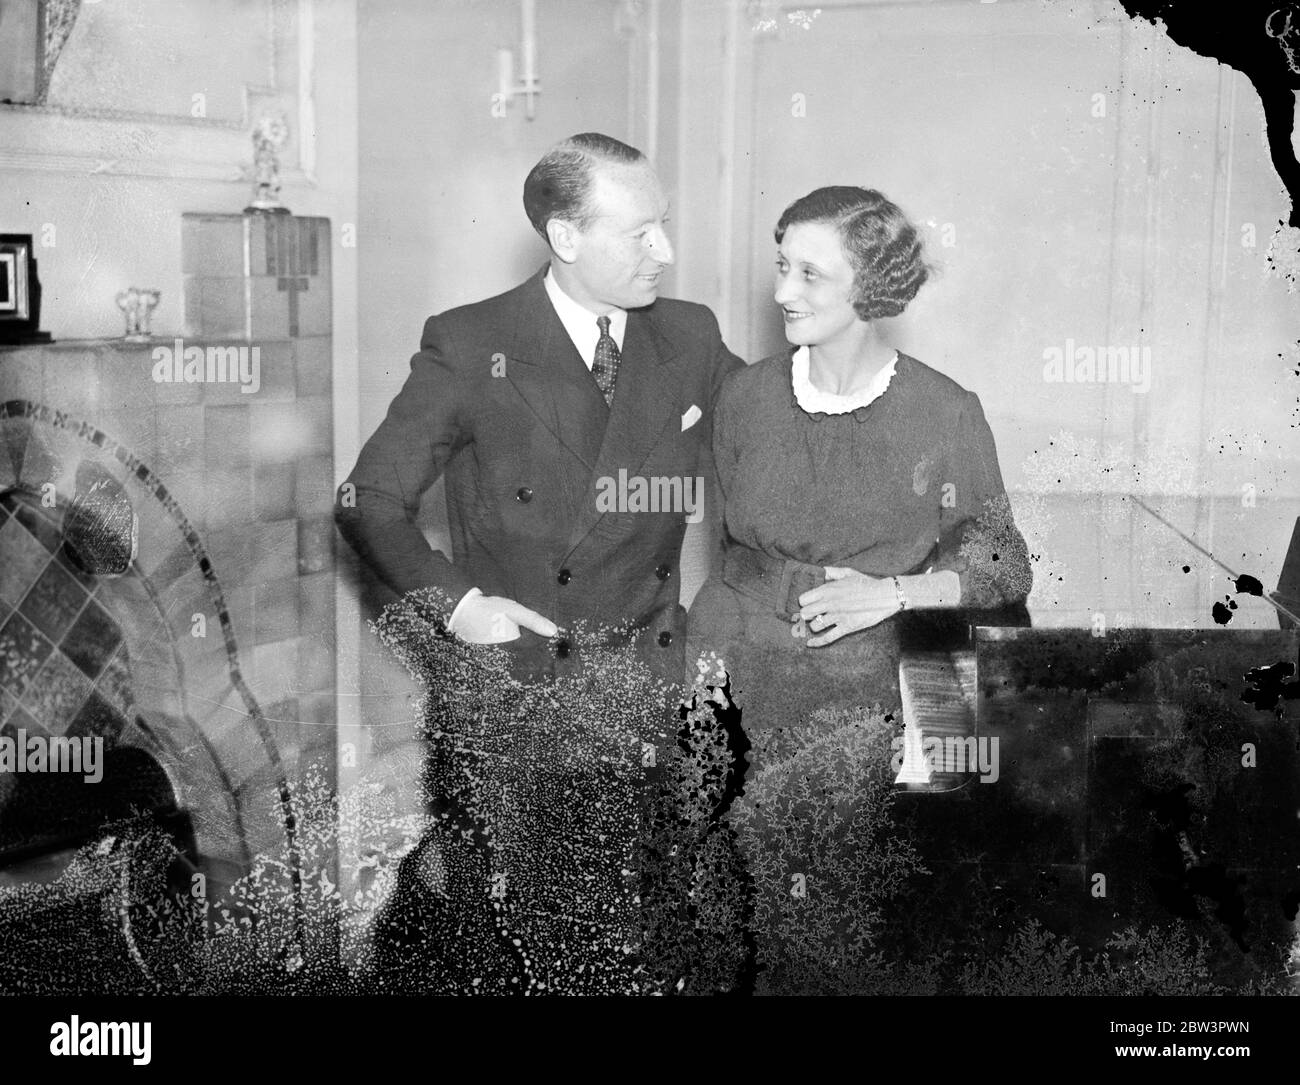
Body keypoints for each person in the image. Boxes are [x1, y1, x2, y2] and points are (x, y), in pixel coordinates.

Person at [335, 133, 743, 992]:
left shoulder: (690, 334)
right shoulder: (471, 341)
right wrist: (459, 605)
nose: (664, 251)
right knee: (521, 948)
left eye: (664, 226)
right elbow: (366, 499)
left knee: (648, 937)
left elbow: (767, 437)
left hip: (648, 695)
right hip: (520, 703)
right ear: (566, 238)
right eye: (641, 233)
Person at [686, 186, 1032, 990]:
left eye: (811, 274)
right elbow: (726, 549)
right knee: (731, 918)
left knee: (856, 933)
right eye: (781, 267)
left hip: (870, 699)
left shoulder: (943, 412)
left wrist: (896, 593)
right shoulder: (743, 398)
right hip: (738, 673)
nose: (782, 292)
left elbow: (1003, 564)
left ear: (870, 286)